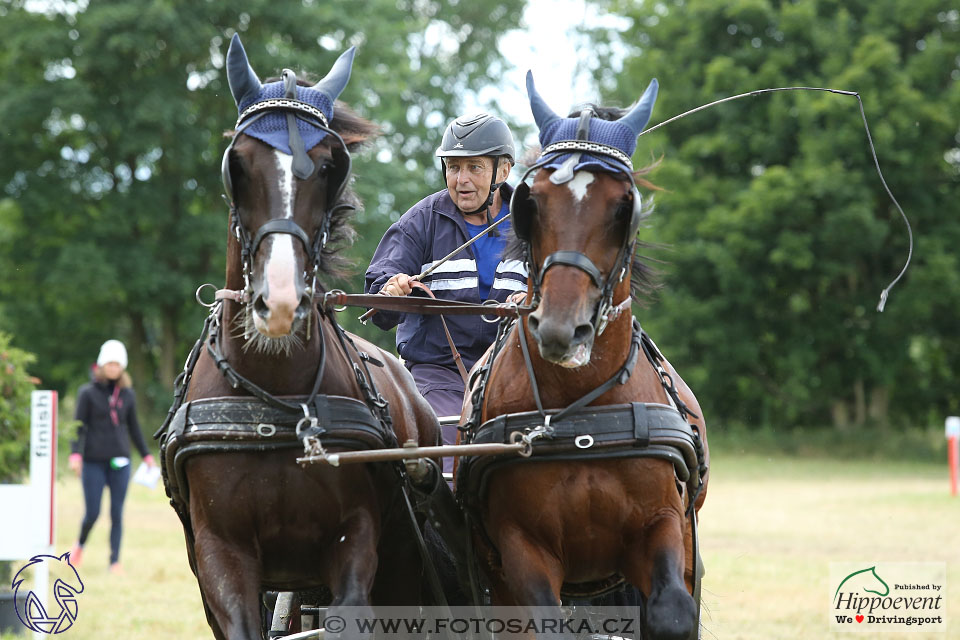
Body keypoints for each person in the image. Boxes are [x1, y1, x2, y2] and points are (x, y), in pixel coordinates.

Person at [365, 113, 527, 458]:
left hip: (518, 371)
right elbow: (377, 301)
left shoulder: (534, 222)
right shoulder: (420, 221)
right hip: (437, 373)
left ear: (504, 171)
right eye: (453, 167)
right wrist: (389, 291)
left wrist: (538, 297)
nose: (461, 180)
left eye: (474, 168)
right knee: (453, 452)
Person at [69, 339, 154, 575]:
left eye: (118, 364)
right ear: (102, 365)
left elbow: (134, 428)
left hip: (121, 462)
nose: (114, 368)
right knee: (93, 512)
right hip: (93, 461)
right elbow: (78, 426)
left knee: (117, 512)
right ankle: (80, 545)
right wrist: (75, 453)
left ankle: (115, 561)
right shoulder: (87, 393)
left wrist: (146, 456)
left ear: (122, 366)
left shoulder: (128, 394)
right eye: (110, 363)